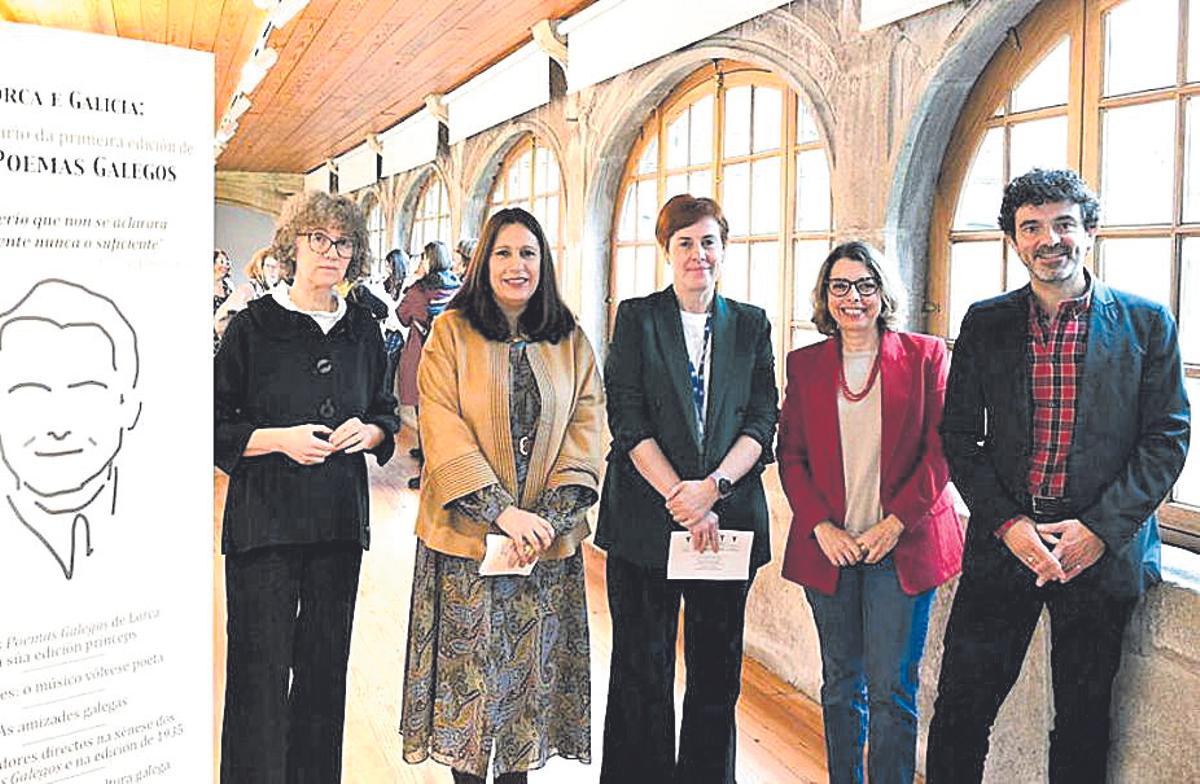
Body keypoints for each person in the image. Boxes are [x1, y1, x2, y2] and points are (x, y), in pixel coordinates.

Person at [926, 169, 1190, 783]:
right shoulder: (986, 322)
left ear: (1089, 232)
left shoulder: (1147, 324)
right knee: (962, 709)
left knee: (1083, 719)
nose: (1051, 240)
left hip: (1099, 554)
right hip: (1005, 546)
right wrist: (1009, 525)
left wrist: (1098, 530)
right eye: (1032, 227)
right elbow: (959, 437)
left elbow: (1167, 436)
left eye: (1064, 224)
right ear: (1015, 242)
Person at [399, 207, 603, 784]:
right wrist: (501, 512)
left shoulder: (569, 340)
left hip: (543, 547)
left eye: (529, 253)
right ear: (484, 261)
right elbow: (439, 424)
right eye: (504, 253)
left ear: (545, 262)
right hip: (469, 544)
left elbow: (587, 425)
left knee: (524, 704)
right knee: (470, 703)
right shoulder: (452, 333)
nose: (517, 265)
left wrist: (548, 516)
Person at [214, 191, 399, 783]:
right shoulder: (253, 327)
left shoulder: (363, 331)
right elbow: (213, 424)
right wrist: (278, 439)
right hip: (264, 524)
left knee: (324, 673)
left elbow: (386, 413)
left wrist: (368, 433)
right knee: (258, 674)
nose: (330, 252)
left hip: (337, 525)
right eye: (317, 239)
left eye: (342, 242)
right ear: (292, 246)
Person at [595, 194, 778, 784]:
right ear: (666, 251)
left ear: (723, 248)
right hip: (647, 522)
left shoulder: (750, 324)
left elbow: (761, 419)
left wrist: (714, 489)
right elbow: (627, 419)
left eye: (708, 241)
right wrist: (682, 495)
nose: (698, 254)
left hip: (725, 523)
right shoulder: (637, 318)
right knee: (641, 671)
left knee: (715, 674)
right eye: (685, 242)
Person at [776, 241, 963, 784]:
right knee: (839, 685)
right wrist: (821, 527)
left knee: (892, 690)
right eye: (840, 286)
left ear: (883, 293)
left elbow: (940, 450)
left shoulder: (926, 355)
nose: (853, 298)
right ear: (825, 296)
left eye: (865, 286)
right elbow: (791, 455)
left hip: (900, 547)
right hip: (830, 547)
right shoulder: (805, 364)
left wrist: (895, 522)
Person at [0, 278, 142, 581]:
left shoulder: (162, 522)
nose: (59, 427)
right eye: (29, 392)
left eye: (86, 392)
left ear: (128, 406)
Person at [396, 240, 461, 488]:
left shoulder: (418, 290)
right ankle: (431, 459)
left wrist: (412, 281)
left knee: (424, 415)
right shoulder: (458, 287)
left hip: (421, 356)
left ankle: (428, 474)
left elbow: (402, 317)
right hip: (450, 360)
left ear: (427, 261)